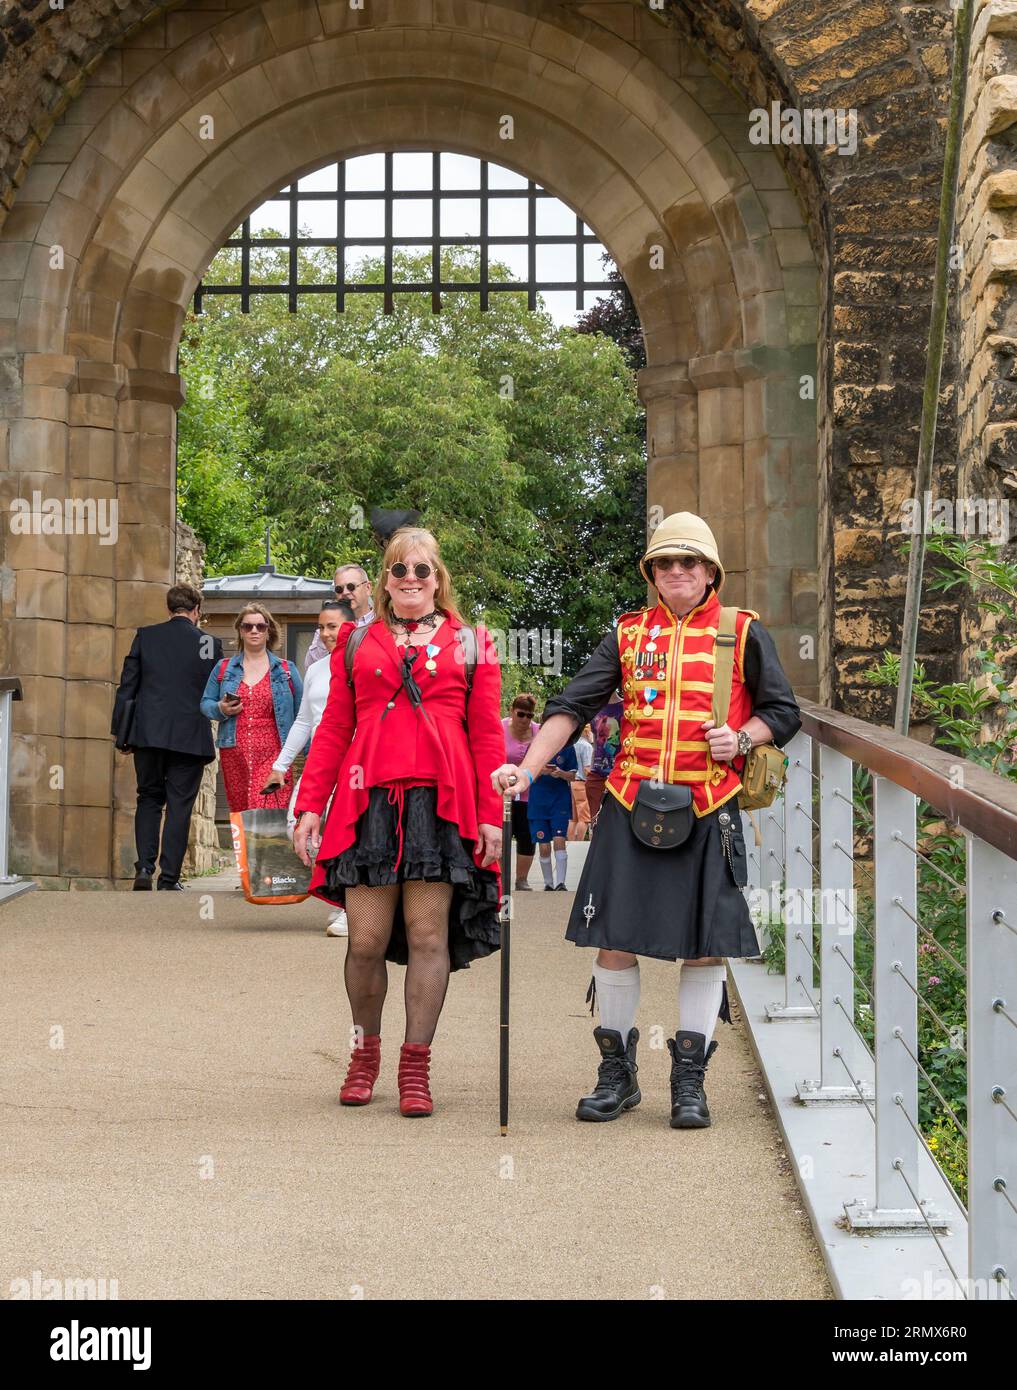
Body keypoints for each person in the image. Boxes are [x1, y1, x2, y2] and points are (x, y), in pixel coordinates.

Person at [492, 512, 801, 1129]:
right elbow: (571, 706)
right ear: (652, 574)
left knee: (705, 948)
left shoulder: (742, 632)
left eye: (688, 562)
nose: (676, 572)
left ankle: (689, 1080)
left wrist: (741, 739)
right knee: (613, 941)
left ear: (710, 572)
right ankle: (617, 1075)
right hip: (632, 806)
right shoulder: (628, 634)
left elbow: (783, 711)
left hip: (708, 806)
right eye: (665, 563)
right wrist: (527, 770)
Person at [292, 527, 503, 1118]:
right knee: (365, 940)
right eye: (400, 570)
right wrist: (312, 805)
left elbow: (487, 737)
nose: (411, 579)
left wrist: (491, 815)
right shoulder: (356, 643)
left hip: (441, 804)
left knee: (429, 935)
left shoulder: (474, 643)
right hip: (369, 804)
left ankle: (416, 1067)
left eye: (423, 570)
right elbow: (333, 730)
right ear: (385, 580)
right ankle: (364, 1054)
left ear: (439, 579)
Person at [111, 584, 223, 891]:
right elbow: (216, 693)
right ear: (196, 611)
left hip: (148, 733)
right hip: (190, 735)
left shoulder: (146, 636)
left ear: (169, 608)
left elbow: (128, 686)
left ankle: (144, 868)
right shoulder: (209, 644)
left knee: (148, 798)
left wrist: (121, 733)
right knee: (179, 806)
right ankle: (169, 877)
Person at [262, 601, 348, 937]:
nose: (326, 634)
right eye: (322, 627)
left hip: (355, 760)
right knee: (296, 825)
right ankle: (340, 893)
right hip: (320, 759)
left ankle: (348, 906)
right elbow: (303, 720)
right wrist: (280, 765)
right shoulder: (316, 669)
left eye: (334, 626)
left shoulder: (361, 665)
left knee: (347, 831)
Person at [200, 604, 303, 814]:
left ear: (269, 631)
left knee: (268, 809)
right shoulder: (223, 668)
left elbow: (303, 713)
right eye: (248, 626)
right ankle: (244, 850)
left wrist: (310, 754)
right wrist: (221, 708)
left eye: (260, 626)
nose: (254, 631)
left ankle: (272, 849)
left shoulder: (286, 670)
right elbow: (205, 703)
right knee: (240, 812)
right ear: (240, 630)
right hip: (234, 752)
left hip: (275, 753)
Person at [501, 693, 540, 890]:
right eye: (521, 714)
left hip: (529, 794)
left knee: (526, 836)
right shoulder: (500, 728)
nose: (525, 719)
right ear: (511, 711)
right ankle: (499, 878)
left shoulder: (538, 732)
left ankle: (521, 879)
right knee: (501, 835)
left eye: (530, 715)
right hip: (502, 792)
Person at [527, 741, 577, 891]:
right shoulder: (535, 746)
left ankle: (560, 883)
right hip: (538, 804)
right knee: (543, 846)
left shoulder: (568, 747)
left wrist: (561, 773)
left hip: (559, 803)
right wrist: (540, 771)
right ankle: (548, 884)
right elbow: (527, 776)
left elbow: (573, 776)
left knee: (559, 841)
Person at [305, 563, 374, 670]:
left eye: (351, 587)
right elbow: (312, 669)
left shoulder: (384, 623)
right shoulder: (325, 629)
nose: (345, 593)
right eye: (339, 589)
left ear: (368, 588)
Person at [585, 693, 622, 828]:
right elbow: (595, 744)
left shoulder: (626, 707)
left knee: (618, 823)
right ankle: (596, 848)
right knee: (595, 822)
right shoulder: (595, 709)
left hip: (620, 774)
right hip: (597, 774)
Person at [568, 723, 593, 841]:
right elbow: (587, 768)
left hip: (571, 782)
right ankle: (579, 843)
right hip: (582, 783)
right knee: (584, 817)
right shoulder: (587, 746)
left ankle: (570, 842)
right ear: (587, 732)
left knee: (573, 817)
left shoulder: (572, 744)